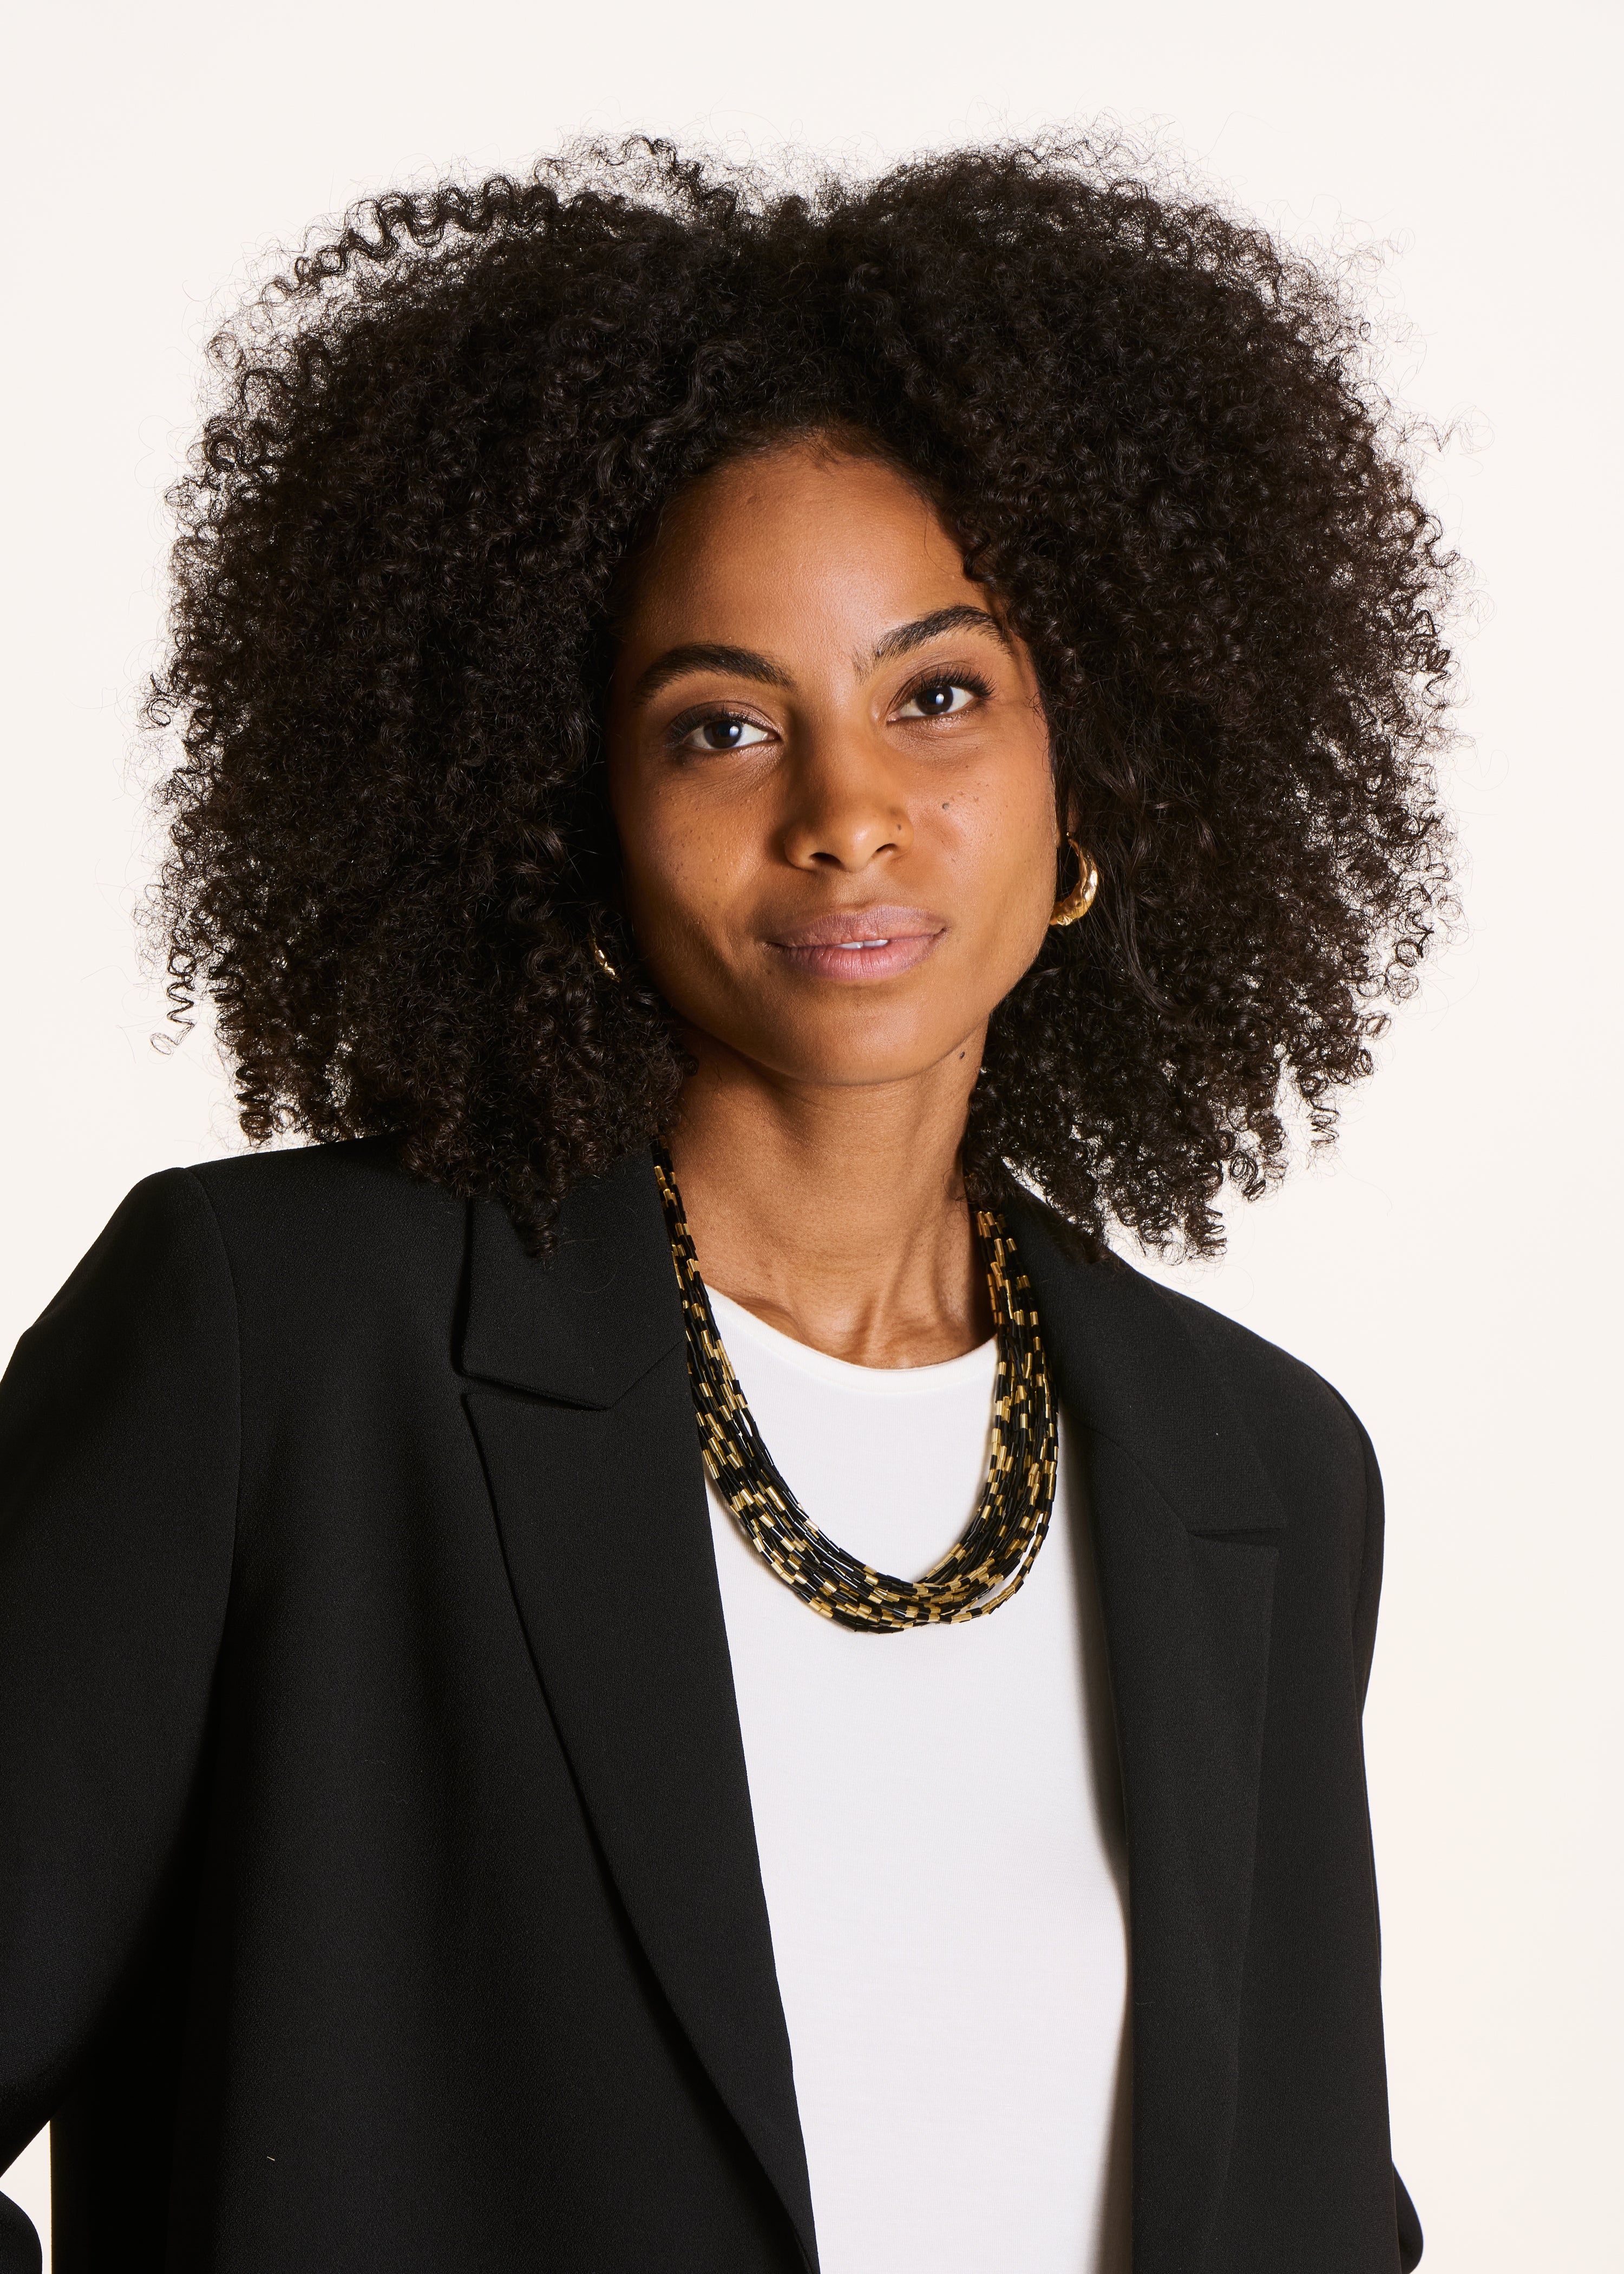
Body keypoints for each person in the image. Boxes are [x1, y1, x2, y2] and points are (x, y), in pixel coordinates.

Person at [0, 139, 1451, 2273]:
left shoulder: (1261, 1471)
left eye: (938, 696)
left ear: (1095, 768)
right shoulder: (279, 1349)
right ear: (565, 807)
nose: (849, 813)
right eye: (721, 728)